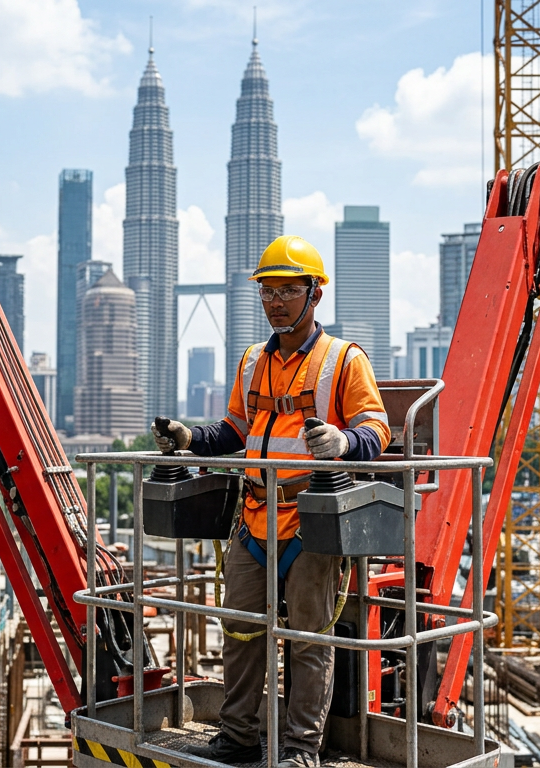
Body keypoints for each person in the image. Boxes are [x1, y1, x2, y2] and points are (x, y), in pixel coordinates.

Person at [151, 235, 390, 768]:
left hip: (311, 523)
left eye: (287, 290)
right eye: (267, 291)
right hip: (254, 519)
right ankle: (238, 737)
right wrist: (190, 438)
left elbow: (377, 427)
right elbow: (236, 429)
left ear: (315, 294)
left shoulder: (343, 360)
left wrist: (343, 441)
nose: (275, 301)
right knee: (239, 633)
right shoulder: (253, 361)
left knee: (308, 641)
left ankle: (301, 749)